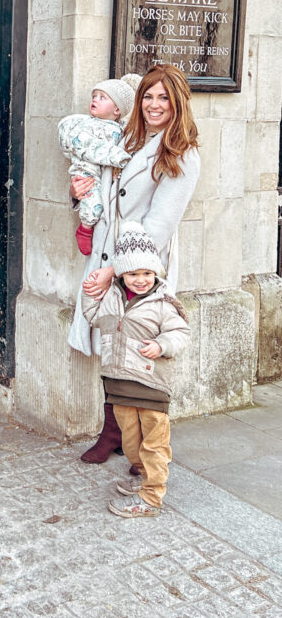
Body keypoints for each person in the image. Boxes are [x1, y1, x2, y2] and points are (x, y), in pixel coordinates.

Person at [68, 63, 200, 466]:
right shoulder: (128, 138)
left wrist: (116, 270)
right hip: (107, 252)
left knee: (137, 352)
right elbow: (104, 194)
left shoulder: (182, 153)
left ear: (177, 103)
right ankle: (115, 434)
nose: (154, 105)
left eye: (163, 97)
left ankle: (141, 450)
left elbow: (159, 227)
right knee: (111, 343)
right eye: (148, 96)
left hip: (140, 268)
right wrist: (79, 193)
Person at [82, 221, 191, 517]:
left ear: (155, 272)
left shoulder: (163, 302)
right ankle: (143, 478)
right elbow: (92, 316)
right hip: (119, 385)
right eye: (133, 273)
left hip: (151, 384)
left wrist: (161, 345)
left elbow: (181, 333)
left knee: (154, 444)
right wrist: (91, 290)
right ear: (121, 274)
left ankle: (152, 498)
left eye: (146, 273)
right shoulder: (113, 297)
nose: (140, 280)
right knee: (131, 442)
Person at [57, 74, 140, 255]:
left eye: (102, 97)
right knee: (93, 202)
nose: (95, 100)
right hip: (87, 170)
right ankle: (85, 228)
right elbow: (89, 146)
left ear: (117, 110)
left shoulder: (124, 132)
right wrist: (121, 158)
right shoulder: (86, 126)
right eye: (94, 96)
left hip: (122, 224)